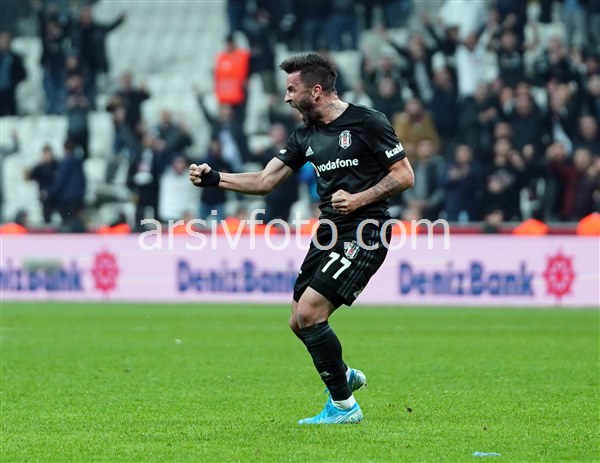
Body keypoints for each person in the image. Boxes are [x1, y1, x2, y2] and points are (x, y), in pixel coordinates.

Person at [189, 53, 414, 424]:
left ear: (316, 90)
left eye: (292, 89)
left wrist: (358, 199)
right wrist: (215, 178)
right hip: (329, 231)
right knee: (298, 321)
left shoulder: (368, 121)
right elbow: (265, 180)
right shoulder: (304, 134)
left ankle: (344, 407)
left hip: (366, 229)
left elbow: (404, 175)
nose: (286, 97)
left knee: (310, 313)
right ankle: (342, 375)